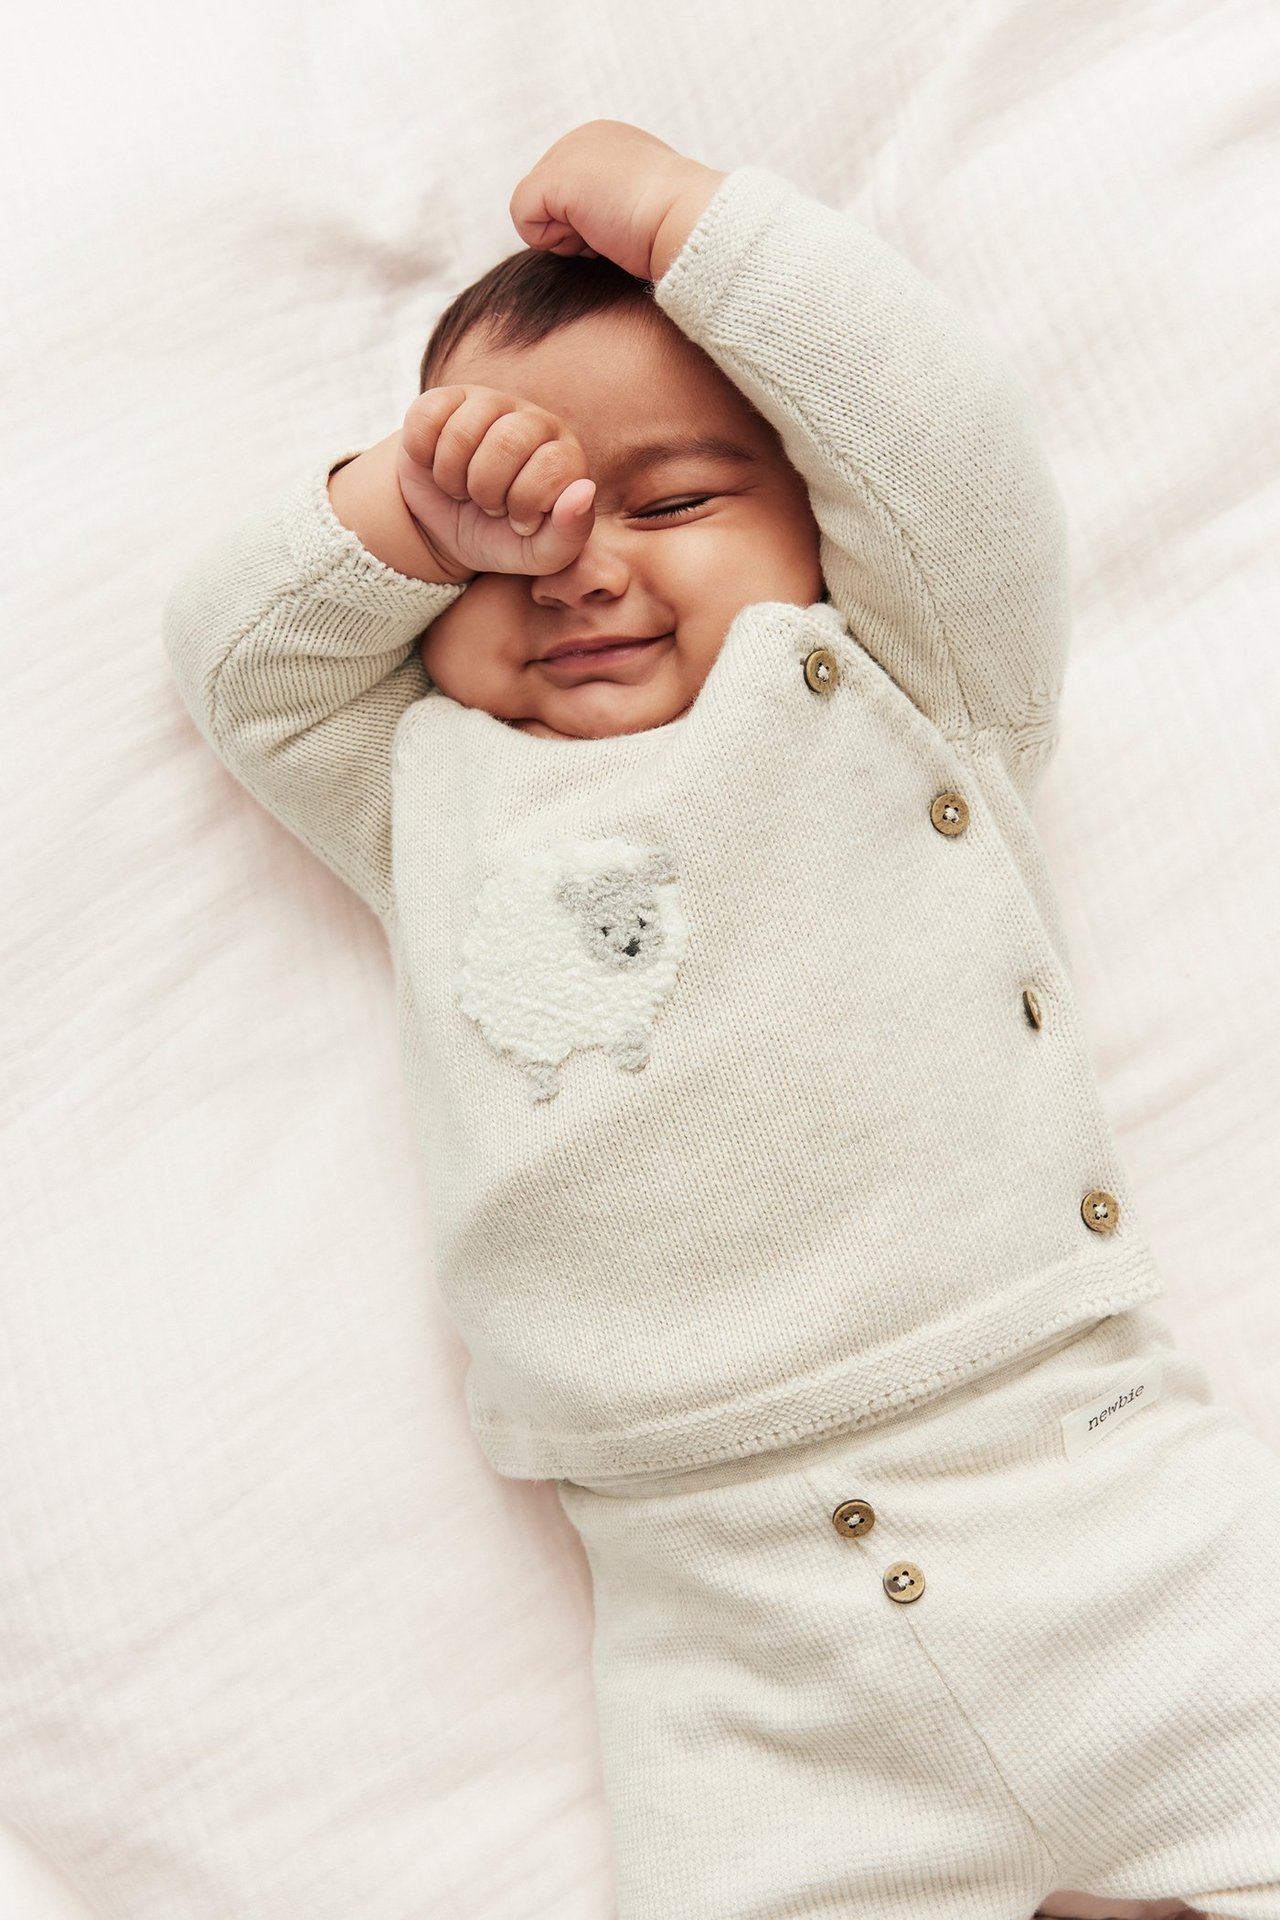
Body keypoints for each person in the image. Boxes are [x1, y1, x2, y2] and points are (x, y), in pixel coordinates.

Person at [162, 118, 1280, 1920]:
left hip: (1095, 1499)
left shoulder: (912, 681)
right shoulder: (422, 785)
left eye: (671, 504)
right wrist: (401, 509)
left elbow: (948, 443)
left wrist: (696, 227)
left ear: (822, 527)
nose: (582, 570)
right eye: (498, 551)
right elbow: (240, 651)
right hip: (730, 1639)